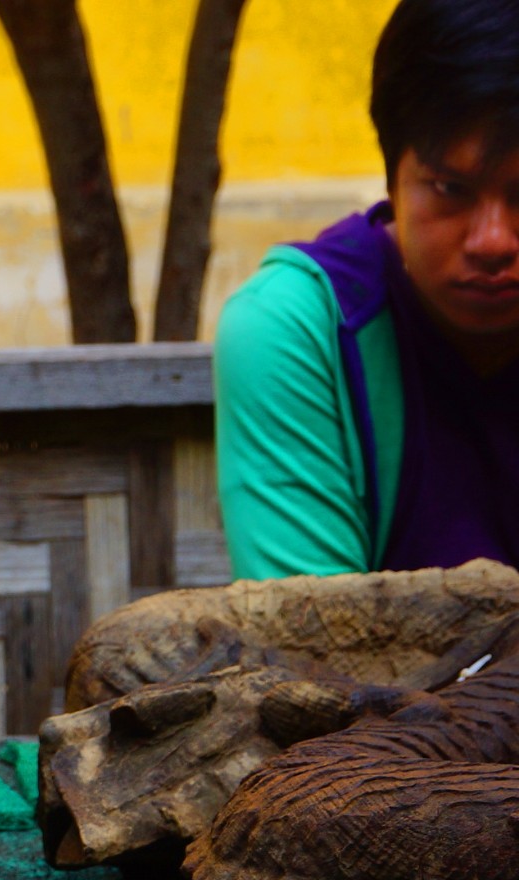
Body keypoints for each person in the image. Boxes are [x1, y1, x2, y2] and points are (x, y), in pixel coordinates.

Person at [215, 0, 519, 580]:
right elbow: (318, 650)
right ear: (391, 180)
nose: (492, 240)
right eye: (451, 188)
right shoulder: (305, 331)